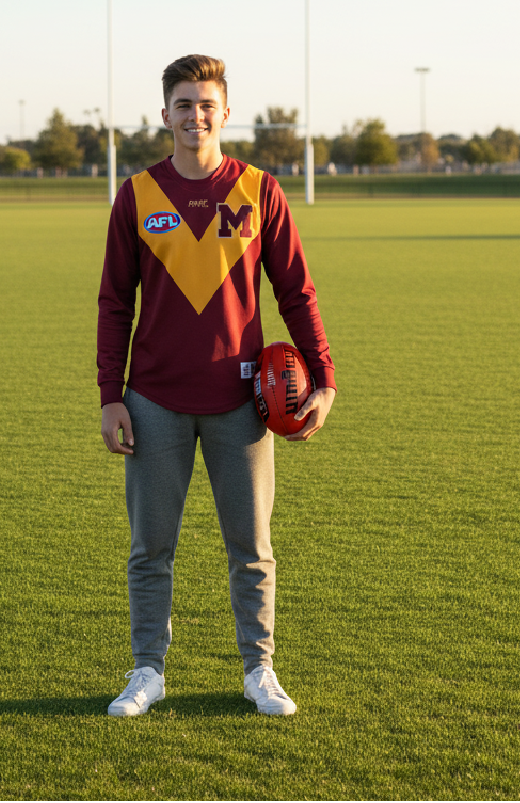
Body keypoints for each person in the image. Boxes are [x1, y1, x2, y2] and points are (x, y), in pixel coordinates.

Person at [96, 53, 337, 717]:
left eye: (206, 104)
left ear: (225, 112)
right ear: (164, 114)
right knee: (150, 550)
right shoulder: (137, 194)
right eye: (183, 104)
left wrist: (323, 377)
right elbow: (114, 302)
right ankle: (147, 670)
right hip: (153, 401)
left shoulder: (260, 190)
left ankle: (259, 669)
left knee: (251, 550)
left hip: (242, 403)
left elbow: (296, 291)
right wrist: (111, 395)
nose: (195, 116)